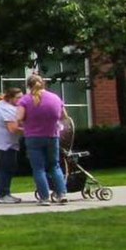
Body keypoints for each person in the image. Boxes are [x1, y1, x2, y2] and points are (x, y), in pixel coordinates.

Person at [15, 73, 72, 205]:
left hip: (33, 137)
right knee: (54, 166)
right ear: (43, 83)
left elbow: (19, 118)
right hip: (52, 136)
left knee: (38, 168)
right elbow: (64, 116)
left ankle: (44, 198)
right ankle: (61, 194)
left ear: (28, 86)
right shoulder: (55, 98)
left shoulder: (25, 100)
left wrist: (27, 123)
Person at [0, 87, 24, 203]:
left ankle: (5, 193)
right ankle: (3, 194)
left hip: (4, 143)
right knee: (7, 168)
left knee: (8, 167)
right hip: (5, 144)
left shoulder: (3, 105)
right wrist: (32, 131)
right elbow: (13, 129)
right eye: (18, 97)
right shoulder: (6, 109)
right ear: (10, 98)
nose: (21, 100)